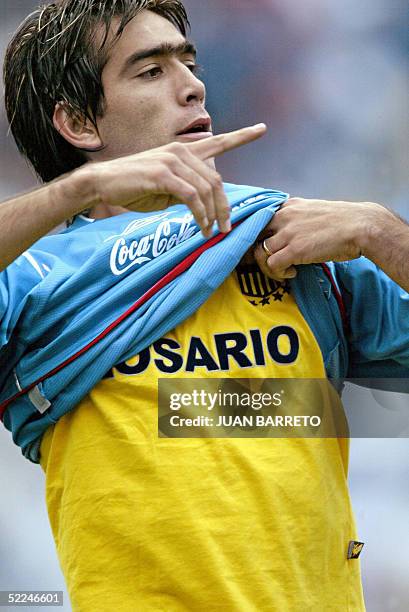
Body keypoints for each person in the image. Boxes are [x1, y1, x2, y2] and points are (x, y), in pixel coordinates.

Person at [1, 1, 408, 610]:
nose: (193, 87)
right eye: (151, 71)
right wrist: (80, 189)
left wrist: (383, 233)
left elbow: (196, 411)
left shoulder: (289, 235)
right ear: (80, 124)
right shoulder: (33, 277)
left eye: (189, 63)